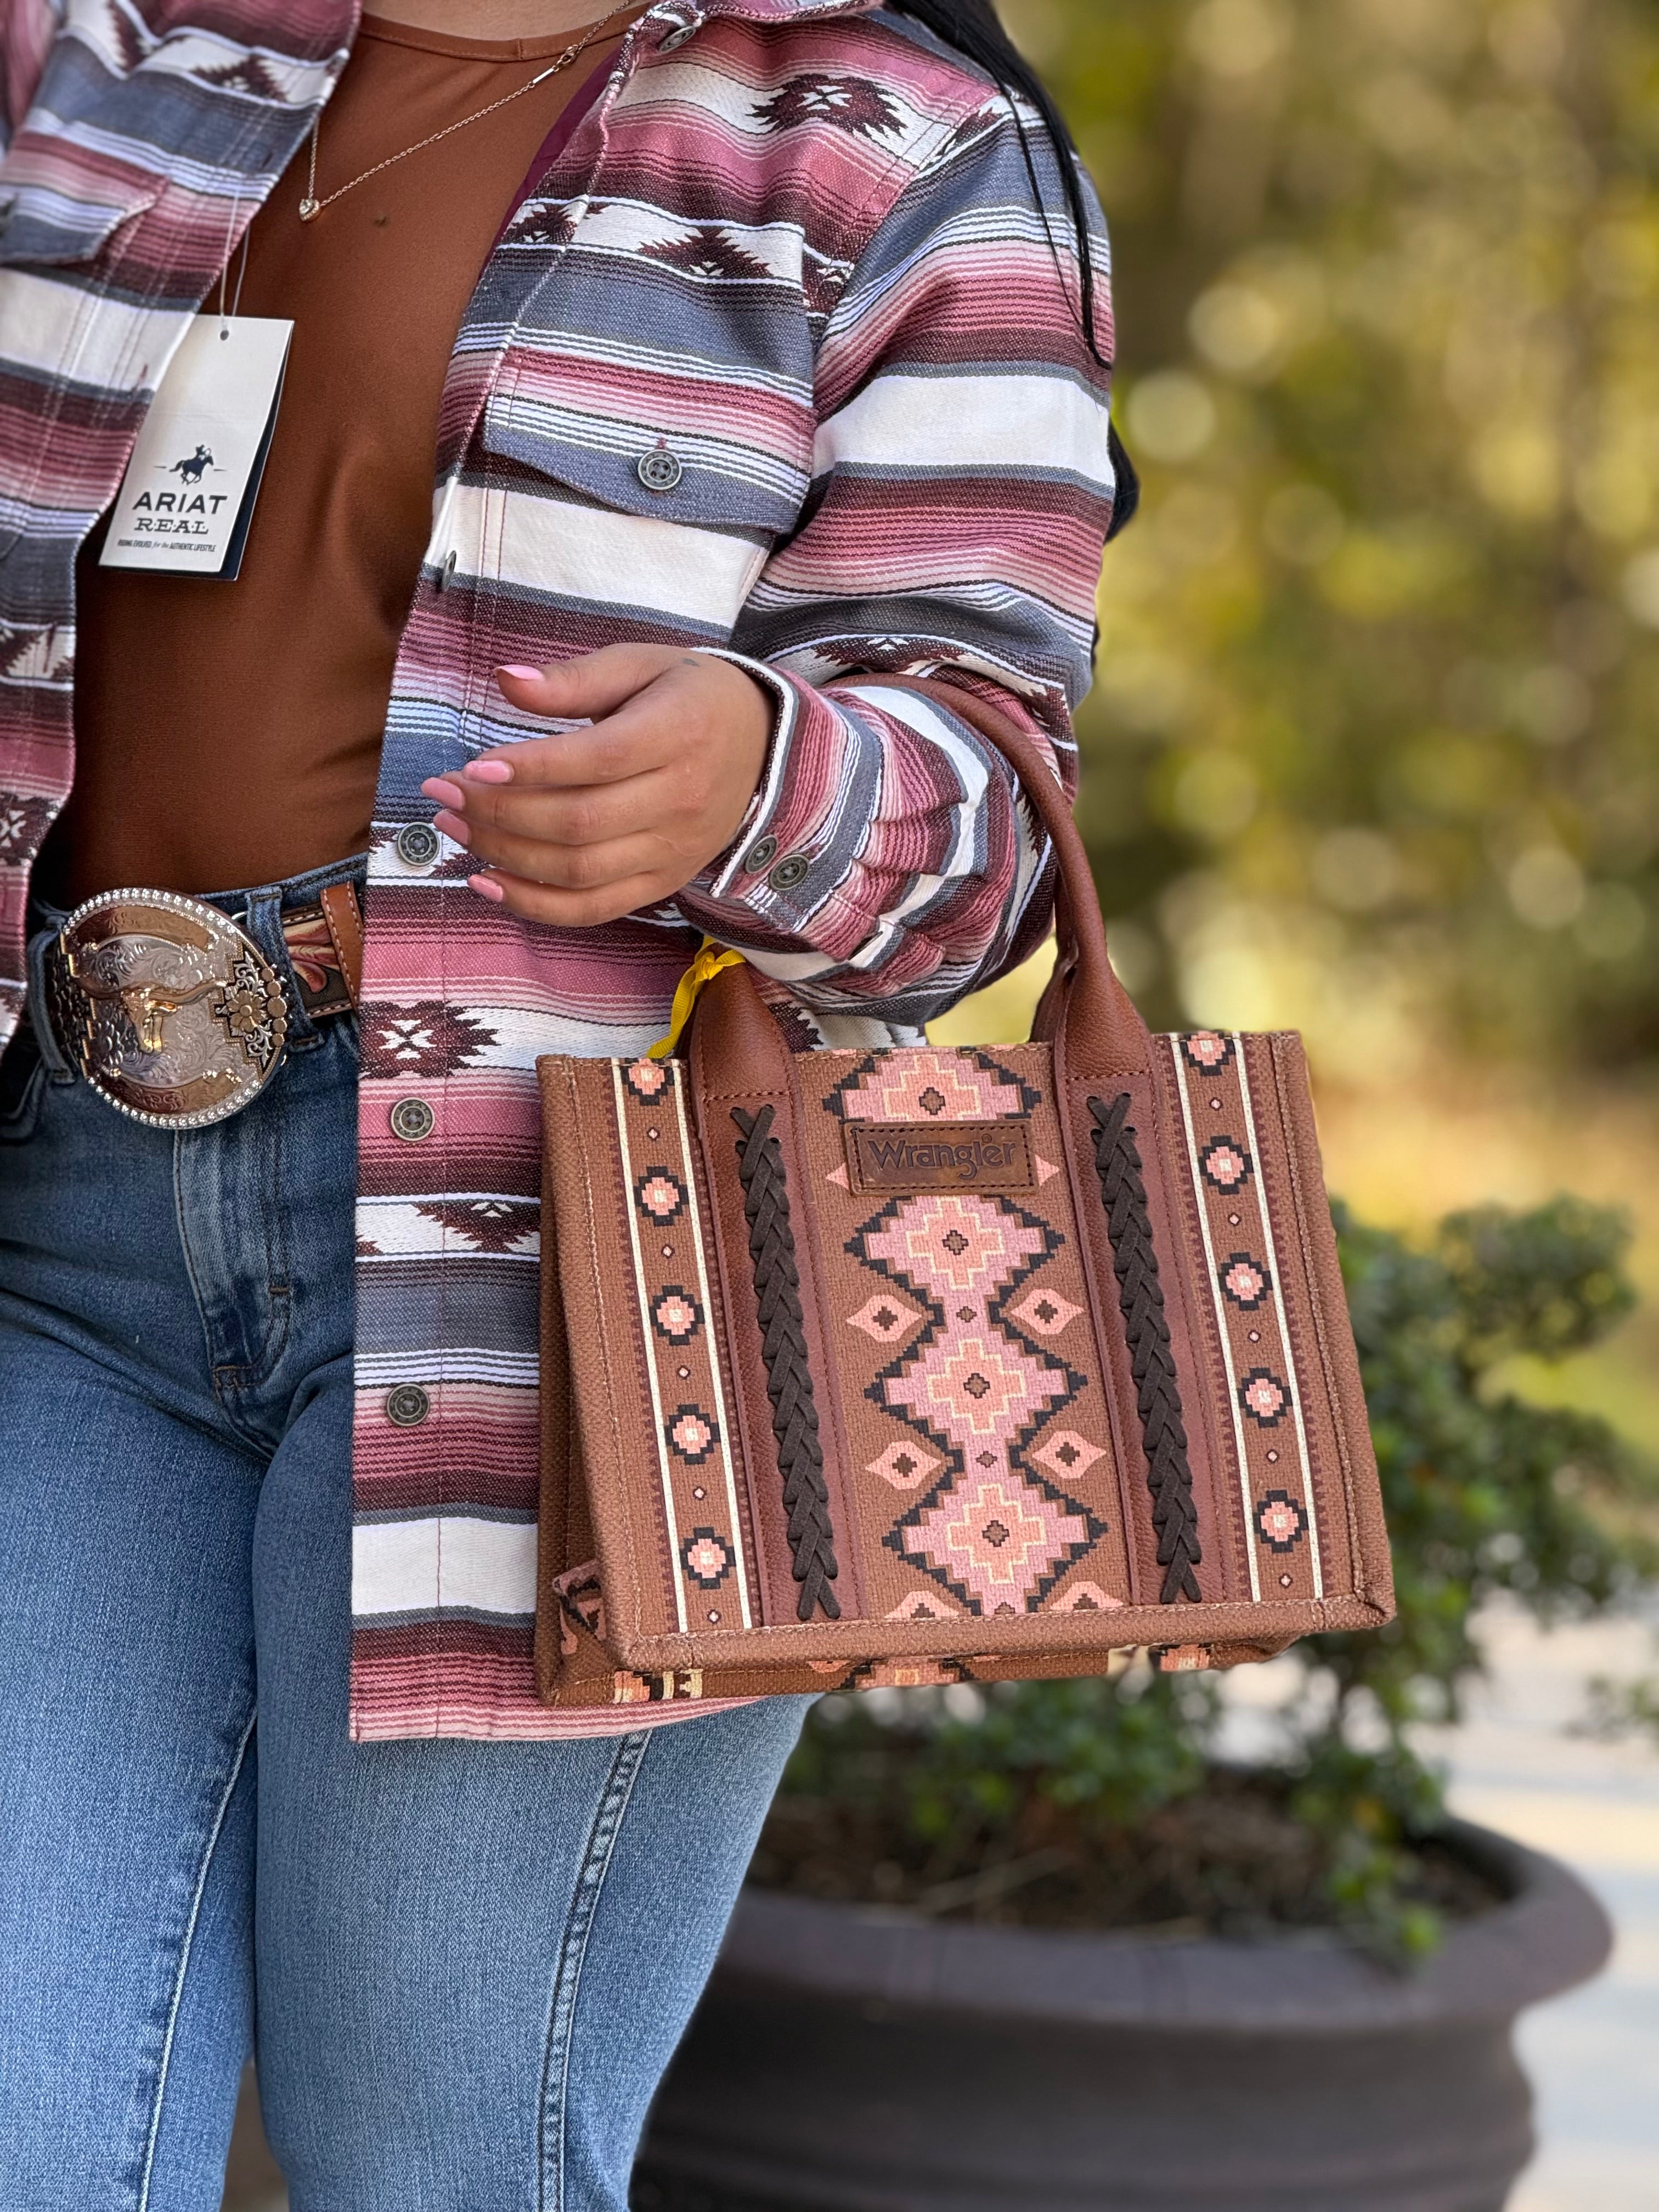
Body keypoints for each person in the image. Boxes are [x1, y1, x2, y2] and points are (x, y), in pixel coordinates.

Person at [0, 0, 1130, 2202]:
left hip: (575, 1291)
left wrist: (763, 770)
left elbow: (990, 822)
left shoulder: (897, 144)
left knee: (432, 2161)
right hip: (68, 1226)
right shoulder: (108, 45)